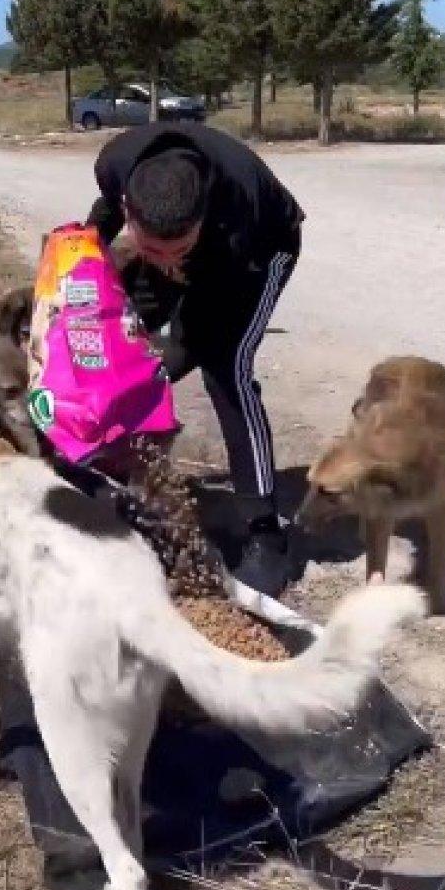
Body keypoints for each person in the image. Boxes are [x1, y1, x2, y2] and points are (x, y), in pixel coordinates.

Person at [87, 121, 304, 596]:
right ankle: (107, 465)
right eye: (151, 248)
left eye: (177, 250)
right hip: (193, 245)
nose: (164, 260)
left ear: (201, 220)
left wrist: (174, 354)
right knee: (129, 348)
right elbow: (103, 219)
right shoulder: (115, 164)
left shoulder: (236, 205)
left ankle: (264, 529)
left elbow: (206, 317)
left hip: (261, 252)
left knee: (226, 369)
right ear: (130, 207)